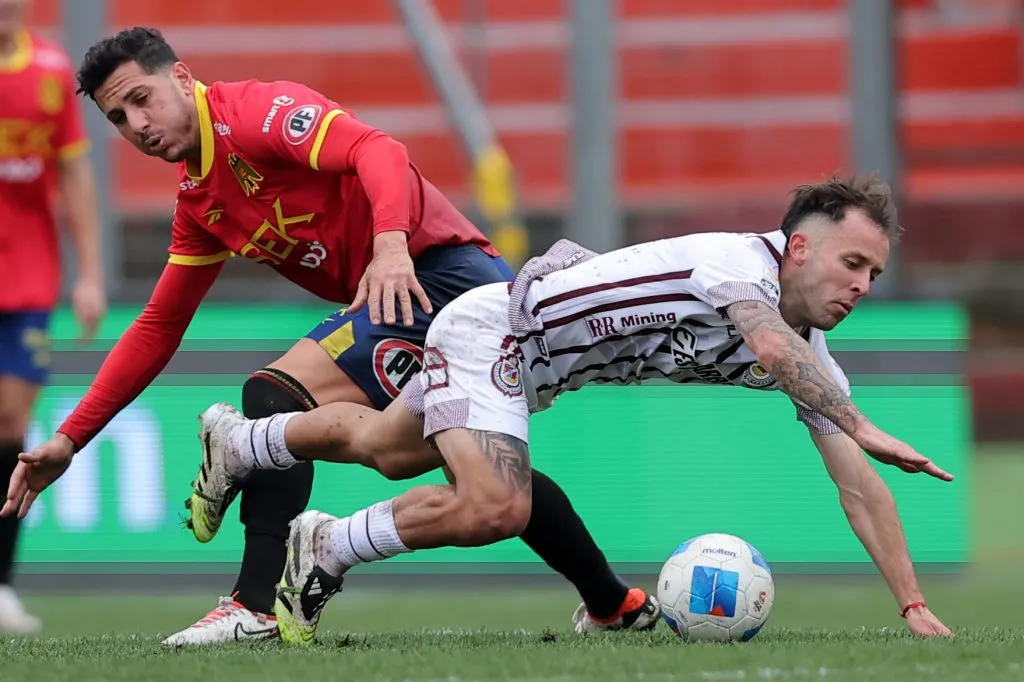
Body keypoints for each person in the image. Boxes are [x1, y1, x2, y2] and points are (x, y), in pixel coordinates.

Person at [0, 26, 658, 645]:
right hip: (409, 294)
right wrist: (69, 439)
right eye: (119, 118)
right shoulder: (201, 202)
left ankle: (253, 603)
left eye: (141, 100)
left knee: (272, 394)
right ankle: (611, 604)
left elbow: (378, 150)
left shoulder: (255, 114)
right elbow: (159, 326)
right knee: (478, 474)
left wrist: (392, 245)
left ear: (180, 76)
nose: (137, 126)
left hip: (444, 280)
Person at [171, 175, 955, 643]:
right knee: (498, 506)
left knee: (385, 445)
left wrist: (912, 602)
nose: (860, 285)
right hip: (497, 330)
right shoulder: (738, 267)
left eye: (875, 276)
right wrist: (863, 423)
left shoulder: (811, 350)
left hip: (532, 371)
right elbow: (773, 351)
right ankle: (332, 547)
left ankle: (246, 442)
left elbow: (859, 488)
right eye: (853, 263)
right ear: (801, 250)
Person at [0, 0, 106, 633]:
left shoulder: (49, 70)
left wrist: (89, 273)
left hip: (29, 273)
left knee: (11, 423)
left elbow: (73, 174)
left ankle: (3, 586)